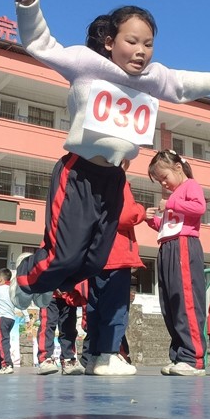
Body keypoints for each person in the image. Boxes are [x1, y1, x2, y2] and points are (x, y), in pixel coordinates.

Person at [10, 0, 210, 311]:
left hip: (114, 179)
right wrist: (29, 7)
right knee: (65, 253)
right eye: (131, 41)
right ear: (109, 42)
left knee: (93, 260)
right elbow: (40, 43)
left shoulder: (152, 77)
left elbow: (180, 84)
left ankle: (47, 282)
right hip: (80, 173)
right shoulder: (85, 63)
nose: (141, 50)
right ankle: (28, 274)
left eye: (148, 44)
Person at [145, 150, 208, 376]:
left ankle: (193, 357)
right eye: (160, 180)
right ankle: (179, 354)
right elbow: (169, 222)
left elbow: (199, 208)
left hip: (184, 245)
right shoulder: (176, 196)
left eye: (164, 177)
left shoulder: (190, 185)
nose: (164, 183)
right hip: (168, 246)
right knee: (170, 303)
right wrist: (151, 219)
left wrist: (170, 203)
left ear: (178, 168)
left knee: (185, 300)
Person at [85, 159, 145, 376]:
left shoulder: (89, 182)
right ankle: (108, 355)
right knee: (116, 307)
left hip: (95, 255)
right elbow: (127, 214)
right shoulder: (118, 180)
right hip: (117, 253)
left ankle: (93, 356)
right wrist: (142, 211)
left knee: (95, 307)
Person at [36, 287, 86, 376]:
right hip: (49, 293)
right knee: (47, 326)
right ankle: (45, 359)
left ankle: (68, 359)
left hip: (69, 295)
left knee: (69, 328)